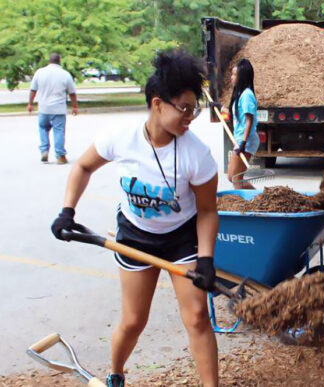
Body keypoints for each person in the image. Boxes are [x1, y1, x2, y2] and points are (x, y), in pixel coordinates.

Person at [50, 50, 219, 387]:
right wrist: (68, 210)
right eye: (184, 108)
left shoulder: (196, 153)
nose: (190, 118)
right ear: (158, 104)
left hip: (181, 239)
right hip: (135, 235)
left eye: (194, 110)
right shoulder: (120, 137)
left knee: (198, 317)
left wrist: (205, 259)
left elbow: (207, 211)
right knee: (133, 321)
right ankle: (116, 375)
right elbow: (82, 166)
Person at [27, 53, 78, 164]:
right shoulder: (65, 74)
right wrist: (74, 106)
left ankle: (44, 151)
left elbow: (33, 90)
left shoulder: (39, 72)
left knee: (43, 128)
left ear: (49, 61)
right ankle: (60, 156)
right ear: (59, 60)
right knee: (59, 131)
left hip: (44, 108)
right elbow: (72, 93)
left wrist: (30, 104)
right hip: (58, 109)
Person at [226, 59, 260, 189]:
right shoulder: (240, 94)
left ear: (242, 77)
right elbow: (238, 115)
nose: (232, 77)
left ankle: (243, 204)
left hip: (246, 140)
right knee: (233, 177)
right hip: (240, 139)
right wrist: (220, 108)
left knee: (236, 178)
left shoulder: (247, 95)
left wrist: (243, 143)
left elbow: (249, 120)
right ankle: (256, 197)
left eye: (235, 74)